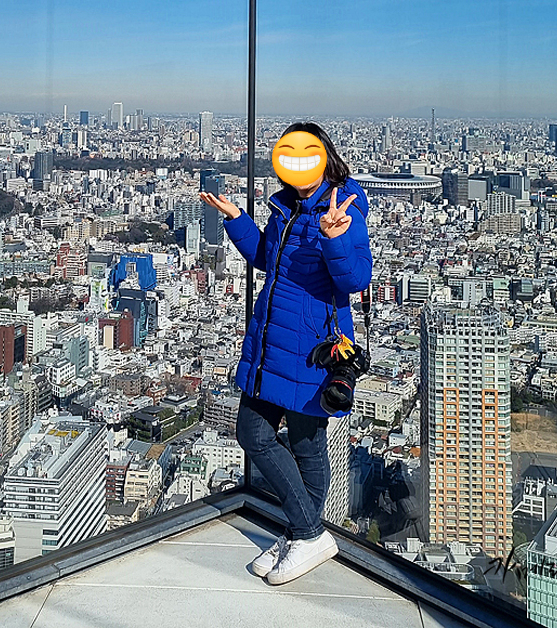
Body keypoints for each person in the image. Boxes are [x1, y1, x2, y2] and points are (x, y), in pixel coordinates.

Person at [200, 121, 372, 585]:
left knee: (300, 443)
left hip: (314, 346)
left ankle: (306, 533)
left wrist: (335, 238)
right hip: (273, 340)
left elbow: (356, 280)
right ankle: (305, 532)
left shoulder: (346, 206)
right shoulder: (285, 207)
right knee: (260, 433)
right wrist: (238, 219)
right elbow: (268, 259)